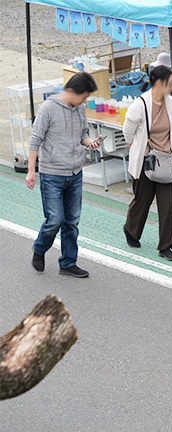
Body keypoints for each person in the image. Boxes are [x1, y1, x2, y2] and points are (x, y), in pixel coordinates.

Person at [27, 71, 102, 277]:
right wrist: (31, 171)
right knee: (55, 220)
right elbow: (35, 140)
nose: (85, 101)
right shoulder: (47, 109)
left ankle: (68, 263)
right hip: (52, 174)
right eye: (84, 96)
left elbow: (82, 134)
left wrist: (90, 142)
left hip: (75, 173)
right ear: (72, 91)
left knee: (72, 222)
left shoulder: (80, 108)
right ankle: (39, 248)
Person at [122, 66, 172, 261]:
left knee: (167, 206)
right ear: (159, 83)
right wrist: (137, 147)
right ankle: (131, 230)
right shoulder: (140, 105)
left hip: (166, 160)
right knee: (142, 201)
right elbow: (127, 131)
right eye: (170, 83)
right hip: (146, 161)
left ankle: (166, 246)